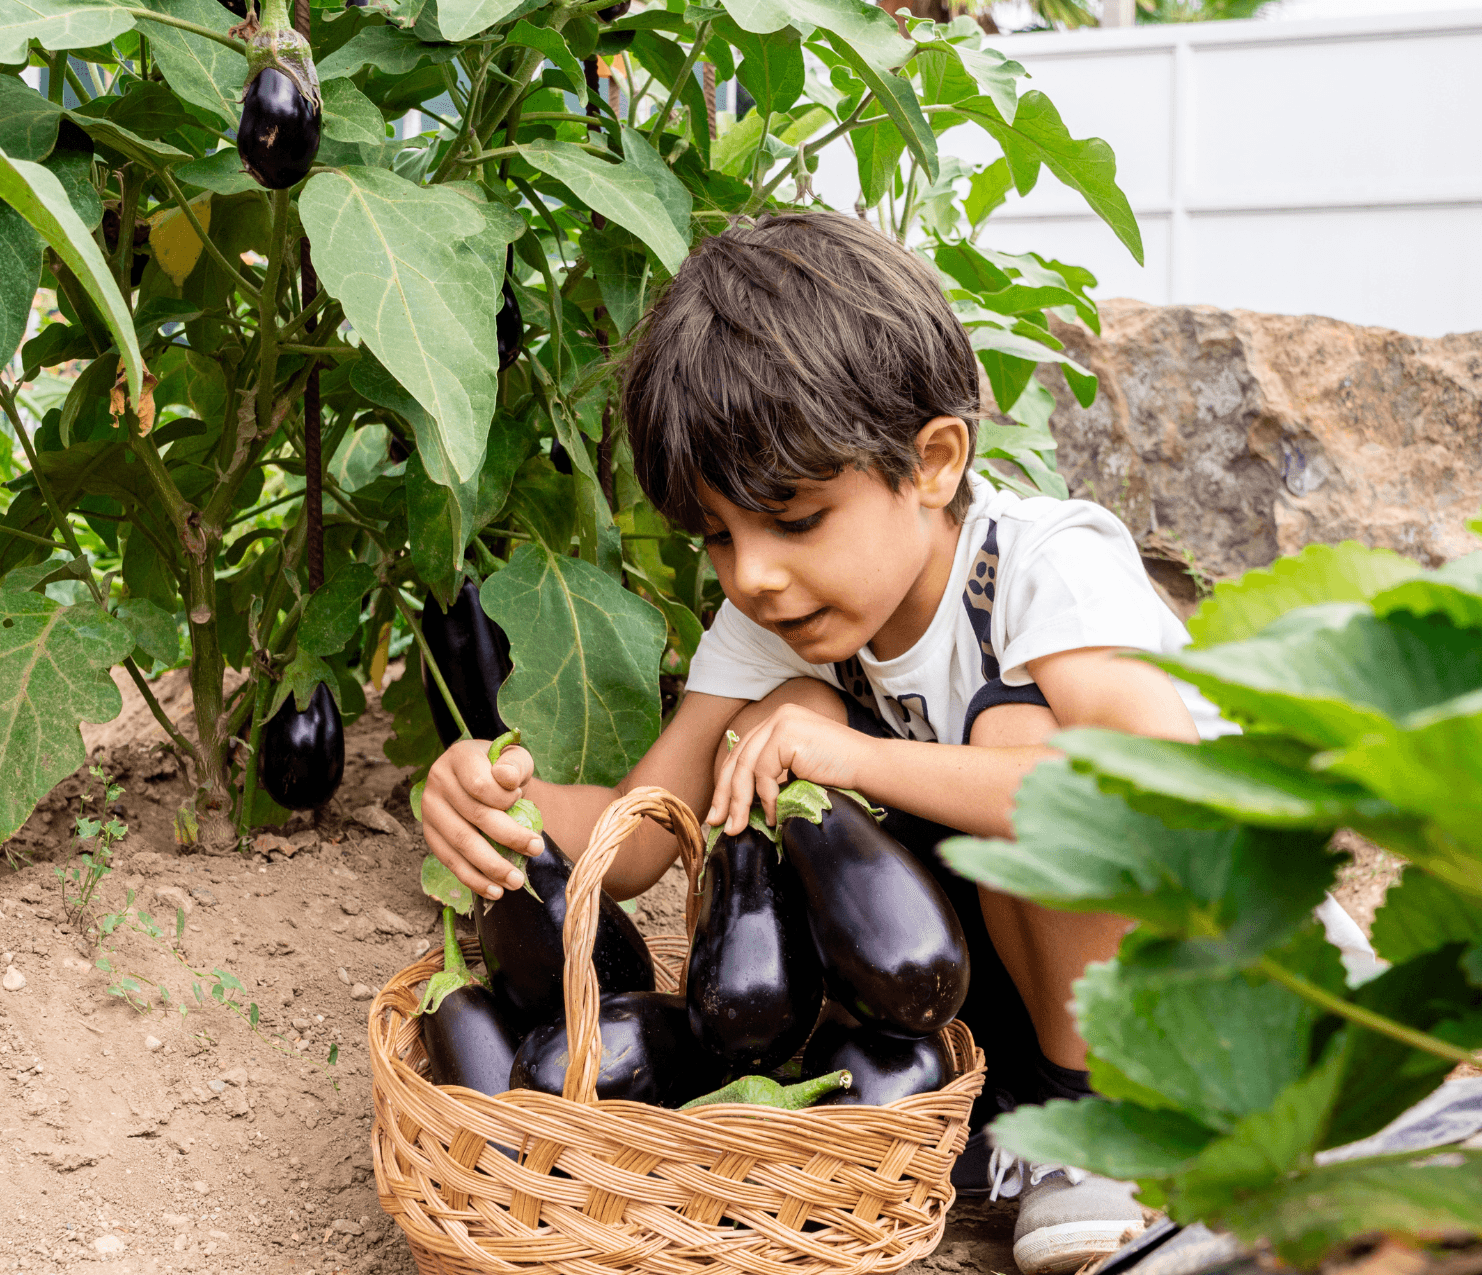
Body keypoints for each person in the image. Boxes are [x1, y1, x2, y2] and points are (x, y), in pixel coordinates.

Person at [418, 210, 1227, 1275]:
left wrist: (850, 756)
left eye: (793, 518)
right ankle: (1000, 1118)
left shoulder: (1039, 568)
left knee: (999, 728)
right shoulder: (775, 623)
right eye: (718, 533)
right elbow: (642, 836)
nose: (751, 572)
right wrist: (497, 796)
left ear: (934, 461)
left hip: (1219, 993)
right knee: (788, 725)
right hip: (1025, 1007)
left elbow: (1155, 794)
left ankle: (1122, 1131)